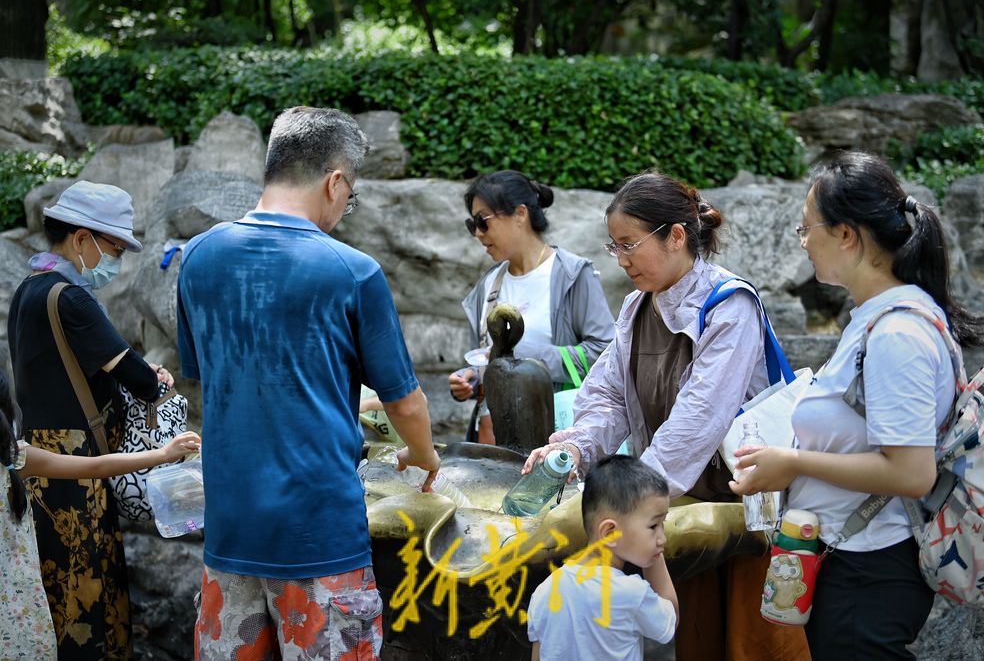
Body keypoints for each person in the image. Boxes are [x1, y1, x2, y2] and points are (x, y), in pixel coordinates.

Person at [176, 106, 441, 660]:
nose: (346, 208)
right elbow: (405, 402)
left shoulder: (198, 258)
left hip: (230, 532)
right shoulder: (352, 271)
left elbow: (219, 378)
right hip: (320, 536)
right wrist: (424, 455)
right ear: (335, 180)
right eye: (351, 195)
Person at [522, 172, 810, 661]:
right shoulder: (637, 307)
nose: (622, 260)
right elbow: (608, 396)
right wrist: (571, 448)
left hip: (743, 508)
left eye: (630, 244)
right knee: (693, 635)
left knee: (751, 642)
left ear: (676, 236)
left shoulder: (730, 303)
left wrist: (632, 497)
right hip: (675, 508)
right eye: (614, 247)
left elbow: (698, 420)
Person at [729, 151, 984, 660]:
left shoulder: (898, 332)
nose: (803, 242)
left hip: (870, 565)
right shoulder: (875, 320)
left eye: (807, 229)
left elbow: (911, 473)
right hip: (853, 560)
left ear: (846, 233)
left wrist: (793, 463)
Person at [6, 180, 176, 660]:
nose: (115, 260)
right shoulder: (71, 298)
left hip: (38, 459)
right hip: (76, 466)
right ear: (82, 239)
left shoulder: (28, 291)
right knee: (89, 593)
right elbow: (136, 377)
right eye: (114, 248)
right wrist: (157, 378)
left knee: (54, 588)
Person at [0, 367, 200, 661]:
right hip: (19, 613)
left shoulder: (15, 459)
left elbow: (96, 467)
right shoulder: (15, 460)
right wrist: (161, 454)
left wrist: (162, 454)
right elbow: (95, 467)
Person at [449, 170, 615, 444]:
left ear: (520, 214)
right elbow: (486, 361)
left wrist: (524, 357)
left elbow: (603, 354)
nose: (477, 233)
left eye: (483, 221)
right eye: (472, 224)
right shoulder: (488, 285)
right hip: (493, 443)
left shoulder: (573, 274)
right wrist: (470, 380)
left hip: (556, 440)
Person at [527, 455, 678, 661]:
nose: (662, 538)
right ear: (609, 533)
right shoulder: (633, 593)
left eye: (663, 523)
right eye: (653, 526)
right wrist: (655, 558)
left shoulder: (545, 591)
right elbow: (672, 619)